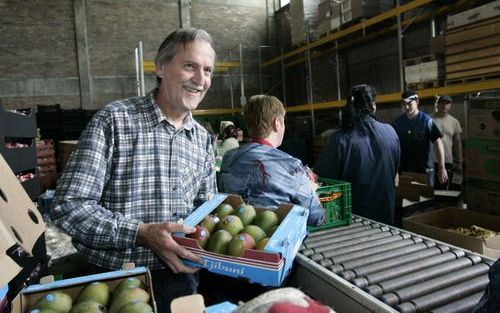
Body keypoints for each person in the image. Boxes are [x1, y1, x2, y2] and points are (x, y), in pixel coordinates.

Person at [50, 27, 217, 313]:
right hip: (111, 281)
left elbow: (205, 212)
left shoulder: (202, 139)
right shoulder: (115, 120)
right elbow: (68, 207)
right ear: (161, 67)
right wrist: (140, 232)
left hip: (179, 278)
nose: (201, 80)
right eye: (190, 66)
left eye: (208, 70)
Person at [219, 95, 324, 226]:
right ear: (277, 123)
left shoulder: (229, 157)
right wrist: (312, 191)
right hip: (276, 238)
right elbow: (316, 217)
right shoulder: (290, 165)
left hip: (235, 233)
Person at [314, 85, 400, 225]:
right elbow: (393, 171)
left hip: (354, 221)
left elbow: (323, 179)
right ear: (373, 105)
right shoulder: (391, 133)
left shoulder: (339, 139)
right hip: (386, 217)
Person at [392, 90, 448, 186]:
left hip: (424, 171)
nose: (406, 107)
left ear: (417, 102)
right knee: (406, 198)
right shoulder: (397, 123)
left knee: (425, 198)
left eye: (409, 103)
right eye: (404, 104)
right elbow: (392, 145)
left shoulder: (426, 121)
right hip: (405, 170)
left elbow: (438, 142)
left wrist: (441, 166)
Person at [433, 94, 463, 189]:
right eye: (442, 102)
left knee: (443, 189)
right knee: (430, 189)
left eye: (447, 103)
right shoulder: (429, 119)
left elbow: (458, 144)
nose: (444, 105)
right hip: (431, 160)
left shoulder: (454, 122)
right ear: (437, 104)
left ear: (450, 106)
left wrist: (459, 162)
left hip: (447, 161)